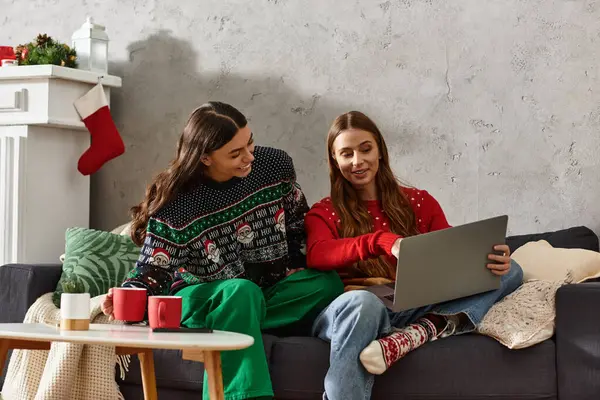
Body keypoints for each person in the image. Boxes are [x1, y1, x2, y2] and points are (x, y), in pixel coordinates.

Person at [101, 102, 343, 400]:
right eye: (235, 153)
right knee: (240, 294)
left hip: (264, 291)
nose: (249, 156)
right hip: (202, 296)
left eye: (250, 142)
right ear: (204, 157)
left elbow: (295, 223)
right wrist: (127, 295)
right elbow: (152, 270)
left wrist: (297, 262)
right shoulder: (177, 203)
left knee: (327, 283)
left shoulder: (274, 166)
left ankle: (242, 319)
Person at [305, 111, 523, 400]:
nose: (357, 161)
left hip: (410, 305)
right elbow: (318, 254)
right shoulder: (324, 211)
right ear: (335, 160)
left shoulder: (419, 201)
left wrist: (488, 256)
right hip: (356, 311)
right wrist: (380, 241)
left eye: (366, 149)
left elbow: (450, 249)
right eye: (346, 154)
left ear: (380, 150)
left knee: (512, 270)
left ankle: (423, 330)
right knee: (362, 302)